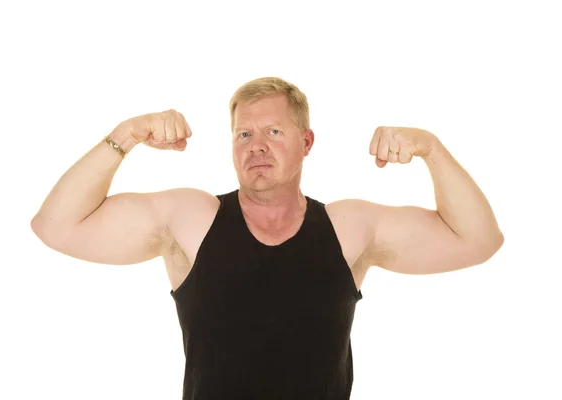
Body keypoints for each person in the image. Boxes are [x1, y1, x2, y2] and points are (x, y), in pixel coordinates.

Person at [31, 76, 504, 399]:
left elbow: (478, 241)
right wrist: (126, 134)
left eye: (274, 130)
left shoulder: (348, 228)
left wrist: (431, 149)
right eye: (243, 134)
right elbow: (56, 226)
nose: (255, 144)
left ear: (306, 141)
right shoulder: (192, 218)